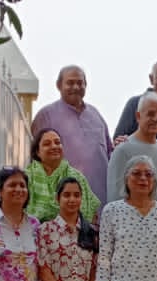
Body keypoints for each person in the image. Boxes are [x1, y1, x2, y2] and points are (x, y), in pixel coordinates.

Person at [31, 66, 112, 206]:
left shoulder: (95, 114)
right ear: (59, 85)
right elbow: (35, 161)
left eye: (80, 83)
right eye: (70, 83)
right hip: (64, 203)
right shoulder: (46, 115)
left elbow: (110, 151)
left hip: (100, 200)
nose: (76, 87)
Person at [106, 92, 157, 211]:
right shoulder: (122, 149)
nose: (156, 119)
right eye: (150, 114)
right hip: (131, 221)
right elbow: (114, 196)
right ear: (138, 116)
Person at [27, 129, 100, 224]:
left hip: (74, 231)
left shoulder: (77, 177)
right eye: (47, 144)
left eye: (57, 142)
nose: (54, 146)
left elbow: (92, 214)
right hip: (32, 231)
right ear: (37, 152)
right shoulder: (27, 176)